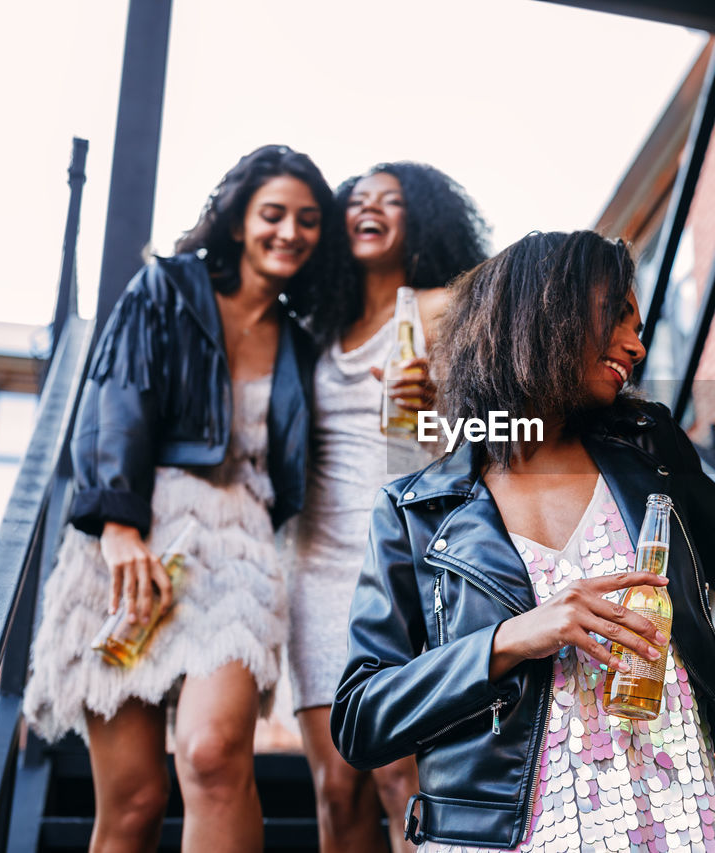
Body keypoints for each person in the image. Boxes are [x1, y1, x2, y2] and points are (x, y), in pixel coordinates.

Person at [332, 231, 715, 852]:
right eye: (617, 317)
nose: (636, 345)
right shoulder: (415, 509)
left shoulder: (651, 451)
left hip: (673, 821)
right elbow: (361, 717)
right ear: (544, 315)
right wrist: (511, 639)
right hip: (505, 835)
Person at [24, 144, 345, 851]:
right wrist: (117, 526)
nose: (290, 230)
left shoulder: (299, 342)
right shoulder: (166, 288)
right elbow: (117, 397)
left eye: (309, 218)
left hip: (238, 548)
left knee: (209, 753)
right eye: (273, 213)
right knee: (135, 799)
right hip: (134, 534)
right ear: (238, 222)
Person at [292, 162, 489, 852]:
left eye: (391, 200)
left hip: (402, 554)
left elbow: (504, 423)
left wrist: (437, 399)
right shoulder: (316, 324)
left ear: (422, 219)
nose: (368, 208)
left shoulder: (441, 306)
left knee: (401, 775)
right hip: (315, 564)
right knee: (335, 787)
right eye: (356, 199)